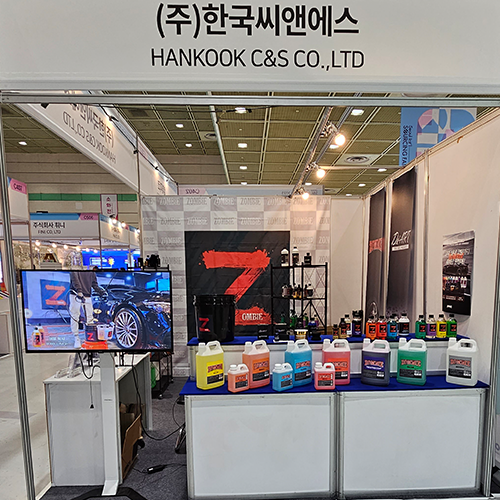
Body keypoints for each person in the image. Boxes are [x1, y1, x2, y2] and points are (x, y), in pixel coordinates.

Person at [69, 271, 106, 348]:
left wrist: (100, 291)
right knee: (75, 315)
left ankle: (90, 337)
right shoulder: (75, 267)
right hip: (76, 294)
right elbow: (74, 277)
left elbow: (94, 283)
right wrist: (79, 291)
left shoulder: (91, 271)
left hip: (87, 294)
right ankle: (76, 337)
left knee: (90, 316)